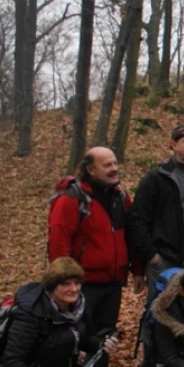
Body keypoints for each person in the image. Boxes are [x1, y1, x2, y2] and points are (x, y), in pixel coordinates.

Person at [1, 258, 116, 367]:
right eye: (66, 284)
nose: (74, 289)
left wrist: (101, 343)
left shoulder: (79, 305)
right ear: (52, 286)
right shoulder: (32, 312)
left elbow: (83, 338)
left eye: (77, 283)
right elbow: (13, 361)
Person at [48, 147, 142, 351]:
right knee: (76, 336)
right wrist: (64, 282)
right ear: (90, 169)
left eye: (115, 163)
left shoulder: (120, 197)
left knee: (105, 338)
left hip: (114, 282)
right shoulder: (72, 199)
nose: (114, 169)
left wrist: (138, 270)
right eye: (107, 165)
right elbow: (59, 242)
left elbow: (130, 235)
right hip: (82, 285)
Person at [128, 124, 184, 300]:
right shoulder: (158, 177)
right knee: (160, 316)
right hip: (165, 262)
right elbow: (137, 220)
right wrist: (153, 257)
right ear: (173, 145)